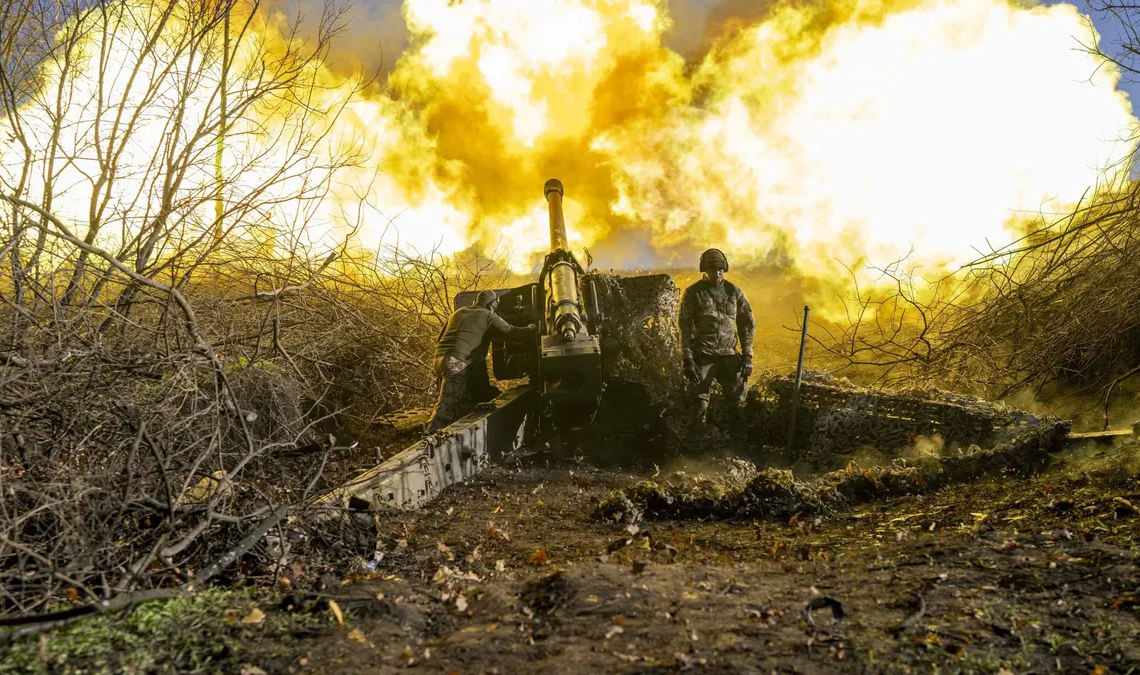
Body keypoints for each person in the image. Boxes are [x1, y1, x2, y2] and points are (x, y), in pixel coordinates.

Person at [427, 290, 536, 432]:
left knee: (462, 399)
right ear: (492, 304)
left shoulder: (459, 312)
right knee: (448, 402)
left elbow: (441, 337)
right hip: (457, 362)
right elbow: (511, 332)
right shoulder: (488, 315)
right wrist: (530, 329)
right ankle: (431, 433)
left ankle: (449, 431)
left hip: (439, 358)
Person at [678, 248, 756, 433]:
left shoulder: (734, 292)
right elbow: (684, 327)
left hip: (729, 356)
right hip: (704, 356)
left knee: (738, 404)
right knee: (699, 405)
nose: (717, 273)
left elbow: (747, 324)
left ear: (725, 268)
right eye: (712, 269)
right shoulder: (693, 293)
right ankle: (695, 452)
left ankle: (740, 448)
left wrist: (747, 356)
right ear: (704, 269)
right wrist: (687, 359)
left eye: (720, 269)